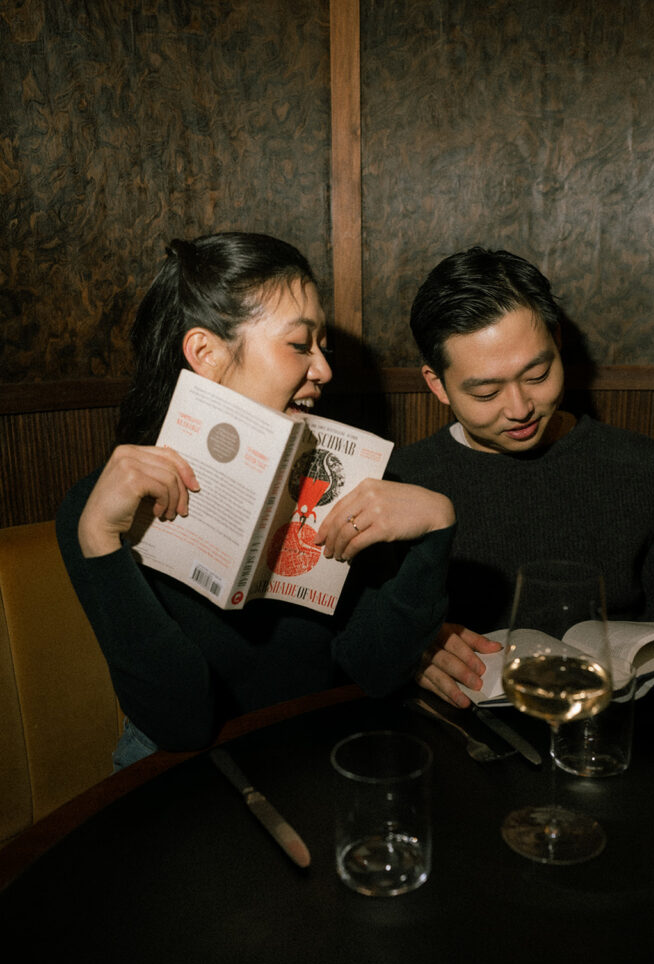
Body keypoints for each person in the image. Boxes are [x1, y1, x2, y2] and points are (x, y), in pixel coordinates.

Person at [57, 232, 455, 768]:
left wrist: (436, 531)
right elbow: (181, 723)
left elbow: (371, 670)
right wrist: (99, 543)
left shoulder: (337, 476)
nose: (324, 370)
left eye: (323, 346)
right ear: (205, 352)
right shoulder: (98, 512)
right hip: (180, 771)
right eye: (299, 345)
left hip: (313, 749)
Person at [388, 246, 654, 709]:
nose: (520, 408)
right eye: (485, 391)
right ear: (436, 384)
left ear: (557, 340)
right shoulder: (402, 482)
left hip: (616, 719)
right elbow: (363, 639)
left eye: (538, 373)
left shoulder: (638, 465)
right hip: (464, 729)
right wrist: (410, 645)